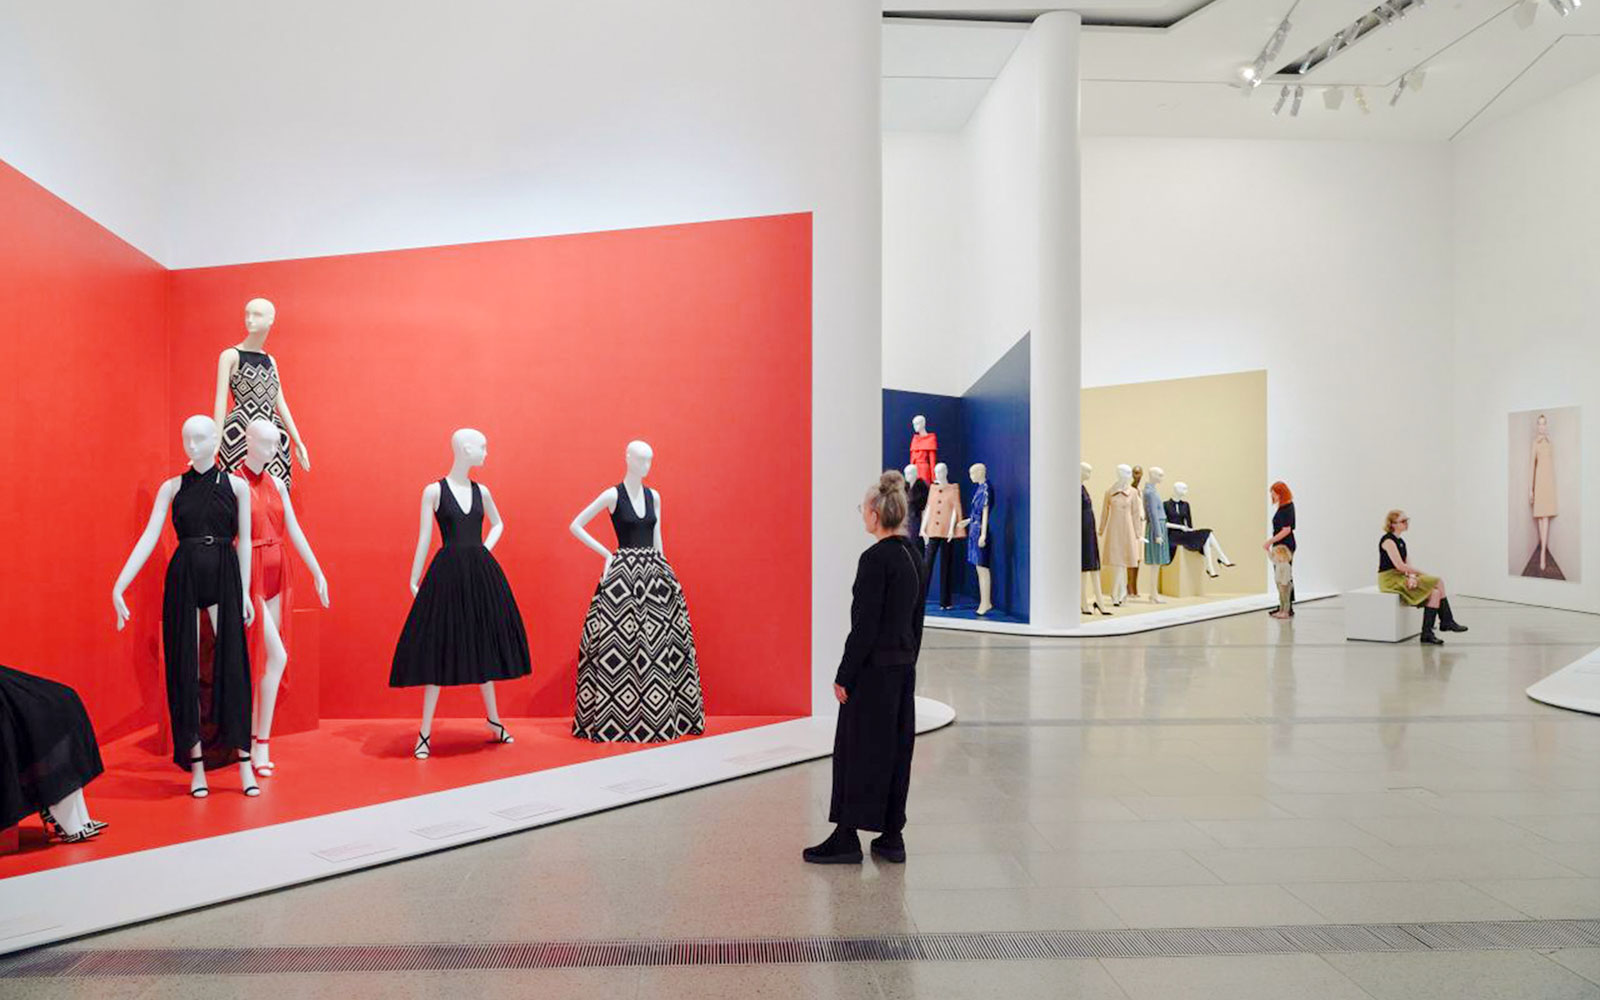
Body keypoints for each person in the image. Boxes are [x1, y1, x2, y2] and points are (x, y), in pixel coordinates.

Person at [805, 471, 929, 865]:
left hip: (874, 674)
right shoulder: (914, 554)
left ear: (876, 514)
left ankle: (846, 836)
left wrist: (845, 675)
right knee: (896, 751)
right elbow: (916, 622)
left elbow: (864, 627)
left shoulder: (875, 560)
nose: (862, 514)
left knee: (855, 752)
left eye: (863, 509)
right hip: (901, 670)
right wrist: (908, 660)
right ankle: (892, 837)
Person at [1377, 509, 1468, 645]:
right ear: (1393, 524)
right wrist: (1421, 573)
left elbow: (1407, 564)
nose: (1406, 523)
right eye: (1403, 521)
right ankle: (1446, 621)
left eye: (1407, 520)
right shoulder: (1388, 541)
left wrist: (1412, 577)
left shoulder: (1401, 541)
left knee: (1435, 593)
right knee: (1438, 581)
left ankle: (1427, 633)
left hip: (1400, 576)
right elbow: (1400, 566)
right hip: (1390, 580)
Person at [1263, 481, 1296, 615]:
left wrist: (1270, 541)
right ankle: (1284, 606)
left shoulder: (1287, 507)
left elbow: (1286, 529)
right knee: (1281, 577)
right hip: (1280, 546)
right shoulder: (1283, 507)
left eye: (1274, 493)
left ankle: (1286, 609)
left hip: (1284, 546)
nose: (1273, 496)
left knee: (1284, 578)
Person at [1269, 545, 1294, 620]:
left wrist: (1284, 583)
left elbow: (1286, 576)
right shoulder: (1278, 564)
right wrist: (1268, 551)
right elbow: (1272, 559)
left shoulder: (1286, 565)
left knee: (1286, 599)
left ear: (1281, 555)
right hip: (1280, 583)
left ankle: (1285, 612)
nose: (1274, 557)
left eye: (1275, 555)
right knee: (1281, 598)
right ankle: (1281, 611)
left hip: (1285, 584)